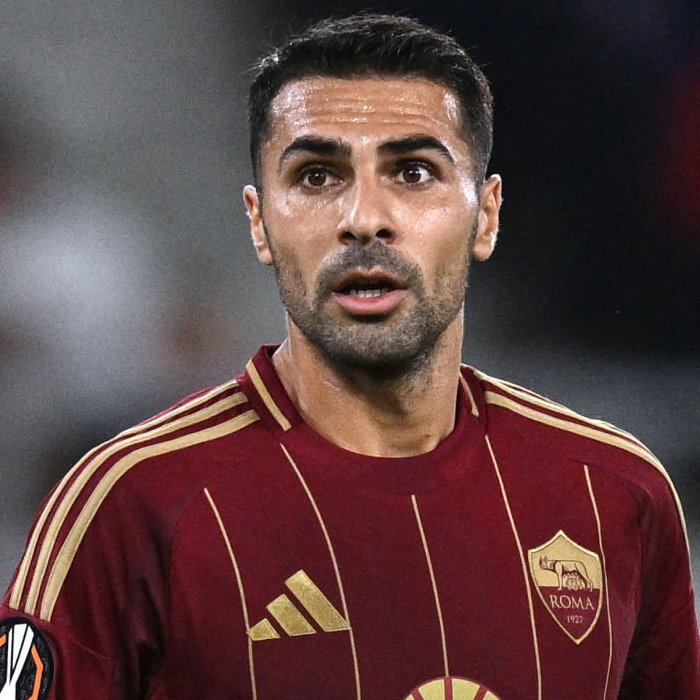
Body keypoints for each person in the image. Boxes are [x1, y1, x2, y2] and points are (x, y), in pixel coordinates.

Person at [1, 14, 698, 700]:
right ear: (259, 223)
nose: (364, 218)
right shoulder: (128, 503)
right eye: (316, 177)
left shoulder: (613, 492)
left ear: (486, 216)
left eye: (414, 172)